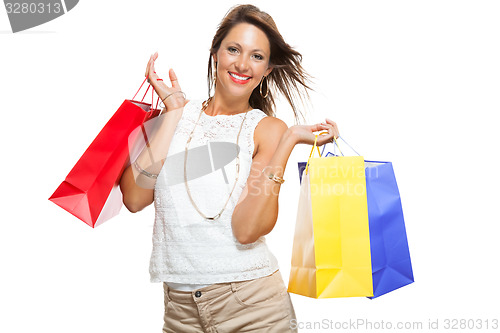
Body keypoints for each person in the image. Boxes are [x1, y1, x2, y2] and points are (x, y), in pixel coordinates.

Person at [119, 4, 339, 332]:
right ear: (215, 54)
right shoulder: (176, 115)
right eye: (233, 49)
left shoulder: (268, 129)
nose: (241, 64)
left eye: (256, 56)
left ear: (267, 69)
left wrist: (288, 141)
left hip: (252, 308)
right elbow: (134, 198)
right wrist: (173, 115)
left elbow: (247, 230)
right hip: (179, 313)